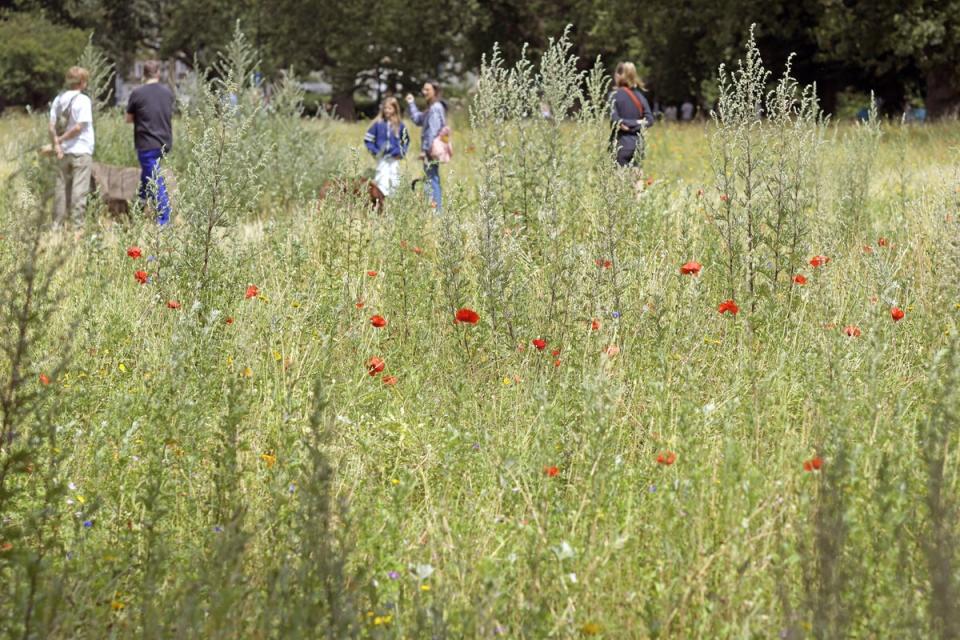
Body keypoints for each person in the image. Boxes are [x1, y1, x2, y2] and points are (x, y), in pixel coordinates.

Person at [125, 60, 175, 224]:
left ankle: (164, 221)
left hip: (147, 143)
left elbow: (128, 119)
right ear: (158, 73)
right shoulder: (168, 92)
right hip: (165, 142)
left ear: (143, 74)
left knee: (155, 180)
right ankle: (139, 206)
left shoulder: (137, 93)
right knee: (147, 175)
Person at [48, 66, 95, 227]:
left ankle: (57, 226)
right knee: (79, 190)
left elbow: (51, 126)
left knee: (61, 189)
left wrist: (57, 144)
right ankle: (77, 227)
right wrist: (61, 140)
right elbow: (78, 127)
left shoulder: (58, 99)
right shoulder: (83, 100)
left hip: (63, 153)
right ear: (82, 82)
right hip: (81, 151)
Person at [405, 81, 448, 210]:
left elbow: (432, 131)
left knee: (432, 179)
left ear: (435, 91)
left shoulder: (435, 108)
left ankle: (436, 211)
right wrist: (411, 103)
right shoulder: (432, 107)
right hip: (431, 149)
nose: (424, 92)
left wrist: (425, 150)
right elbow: (418, 120)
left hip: (431, 150)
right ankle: (433, 208)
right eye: (423, 90)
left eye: (427, 90)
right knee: (431, 178)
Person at [609, 62, 654, 168]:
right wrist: (638, 122)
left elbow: (616, 120)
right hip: (639, 144)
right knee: (637, 179)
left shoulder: (613, 95)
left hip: (621, 145)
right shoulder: (640, 96)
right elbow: (650, 120)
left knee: (619, 181)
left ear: (618, 76)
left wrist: (626, 124)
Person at [364, 96, 410, 197]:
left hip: (395, 157)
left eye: (389, 108)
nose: (387, 111)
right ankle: (381, 200)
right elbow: (368, 140)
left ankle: (394, 199)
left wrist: (401, 152)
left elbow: (406, 141)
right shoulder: (377, 124)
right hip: (382, 158)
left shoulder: (400, 125)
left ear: (395, 109)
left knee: (395, 178)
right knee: (381, 177)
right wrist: (376, 152)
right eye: (385, 108)